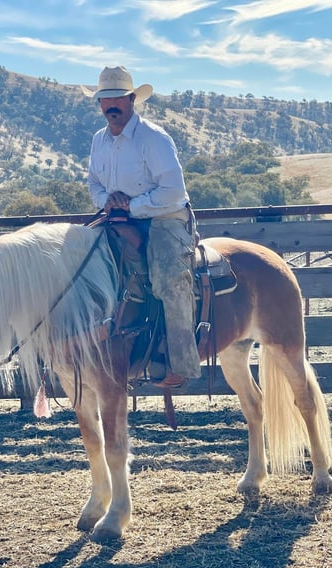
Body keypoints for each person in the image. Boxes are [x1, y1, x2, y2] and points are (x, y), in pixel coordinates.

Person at [82, 65, 201, 387]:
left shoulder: (154, 138)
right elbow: (93, 182)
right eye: (105, 101)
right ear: (99, 104)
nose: (111, 107)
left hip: (165, 218)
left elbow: (174, 192)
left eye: (118, 99)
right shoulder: (99, 141)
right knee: (79, 264)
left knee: (168, 278)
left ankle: (180, 361)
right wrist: (107, 199)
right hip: (119, 218)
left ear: (132, 99)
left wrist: (132, 205)